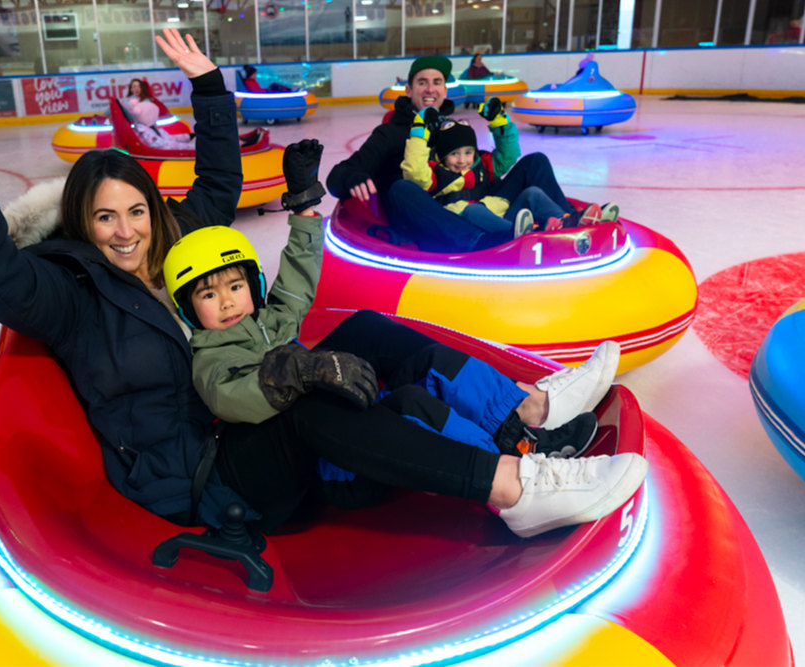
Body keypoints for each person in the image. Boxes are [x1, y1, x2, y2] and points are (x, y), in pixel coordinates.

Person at [0, 35, 647, 541]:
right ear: (81, 221)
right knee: (305, 406)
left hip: (237, 422)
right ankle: (516, 488)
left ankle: (531, 407)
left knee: (363, 330)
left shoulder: (172, 250)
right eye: (104, 217)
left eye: (136, 211)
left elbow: (218, 185)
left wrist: (207, 88)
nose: (125, 231)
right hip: (198, 475)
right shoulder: (69, 291)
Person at [165, 140, 602, 465]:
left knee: (418, 356)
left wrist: (301, 209)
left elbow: (295, 284)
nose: (226, 302)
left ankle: (524, 422)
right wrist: (298, 370)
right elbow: (235, 398)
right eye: (208, 294)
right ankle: (513, 464)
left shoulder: (267, 320)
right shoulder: (212, 357)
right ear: (189, 308)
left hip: (332, 411)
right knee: (414, 406)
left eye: (234, 288)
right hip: (315, 447)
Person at [326, 56, 618, 252]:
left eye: (437, 82)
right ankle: (481, 243)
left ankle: (570, 222)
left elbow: (485, 164)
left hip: (475, 203)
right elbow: (337, 176)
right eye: (422, 82)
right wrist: (354, 176)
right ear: (409, 89)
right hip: (431, 213)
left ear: (445, 88)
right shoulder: (390, 133)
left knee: (536, 161)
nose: (430, 89)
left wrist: (499, 124)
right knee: (402, 189)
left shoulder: (450, 126)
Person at [402, 100, 611, 245]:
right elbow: (415, 172)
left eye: (468, 152)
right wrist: (419, 134)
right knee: (474, 210)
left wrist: (499, 120)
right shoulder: (435, 173)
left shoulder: (480, 165)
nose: (462, 160)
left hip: (503, 215)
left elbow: (509, 155)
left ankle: (569, 221)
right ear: (442, 155)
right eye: (454, 154)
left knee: (533, 193)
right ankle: (527, 236)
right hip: (468, 220)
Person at [121, 76, 193, 151]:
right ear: (131, 89)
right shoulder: (127, 101)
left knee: (169, 138)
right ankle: (191, 147)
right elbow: (127, 108)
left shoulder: (147, 99)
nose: (137, 88)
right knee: (164, 143)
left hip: (152, 128)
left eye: (139, 86)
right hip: (143, 130)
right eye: (134, 86)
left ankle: (191, 140)